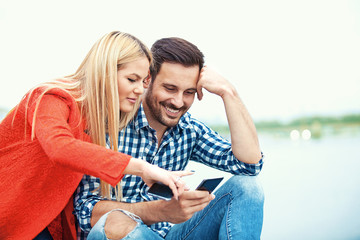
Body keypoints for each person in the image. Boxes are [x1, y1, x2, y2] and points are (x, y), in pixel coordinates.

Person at [0, 32, 189, 240]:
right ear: (105, 73)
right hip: (11, 217)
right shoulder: (51, 97)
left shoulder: (98, 120)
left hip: (44, 224)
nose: (138, 90)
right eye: (131, 79)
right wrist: (143, 168)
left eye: (143, 81)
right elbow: (60, 147)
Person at [75, 37, 264, 240]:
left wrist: (229, 93)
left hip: (172, 235)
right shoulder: (107, 124)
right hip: (121, 235)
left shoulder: (188, 130)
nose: (178, 102)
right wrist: (161, 211)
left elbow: (249, 165)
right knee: (114, 223)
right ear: (148, 80)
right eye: (170, 89)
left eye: (189, 92)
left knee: (247, 187)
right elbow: (84, 212)